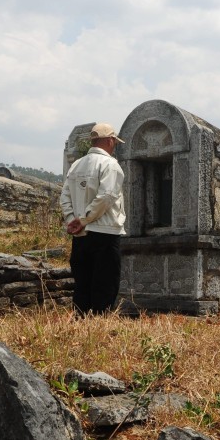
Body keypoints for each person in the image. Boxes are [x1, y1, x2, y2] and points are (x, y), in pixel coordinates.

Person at [60, 122, 127, 315]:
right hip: (104, 231)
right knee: (105, 283)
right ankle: (99, 323)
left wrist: (72, 219)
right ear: (109, 140)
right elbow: (106, 197)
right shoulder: (110, 165)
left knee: (83, 283)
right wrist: (84, 220)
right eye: (114, 141)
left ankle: (82, 323)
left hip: (80, 235)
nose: (114, 145)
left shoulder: (76, 165)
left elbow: (65, 196)